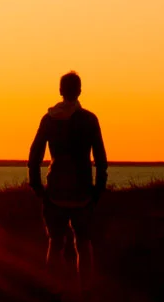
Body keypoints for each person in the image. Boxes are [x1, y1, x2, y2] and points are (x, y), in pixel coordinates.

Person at [27, 70, 107, 276]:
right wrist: (97, 190)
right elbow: (100, 158)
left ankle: (54, 291)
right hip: (83, 193)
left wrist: (37, 186)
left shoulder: (49, 119)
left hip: (54, 192)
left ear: (61, 90)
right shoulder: (89, 120)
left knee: (55, 243)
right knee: (83, 243)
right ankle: (86, 291)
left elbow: (34, 154)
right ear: (79, 91)